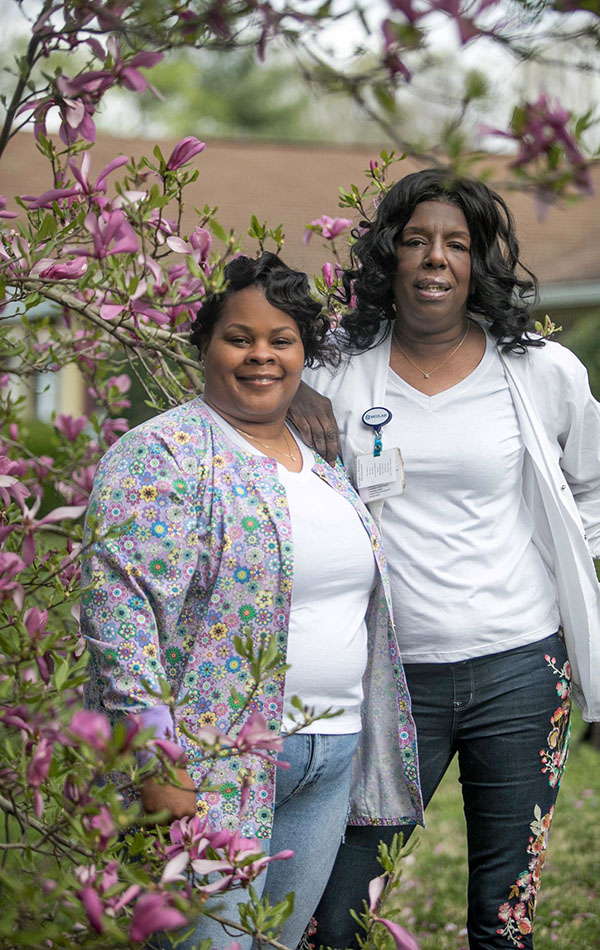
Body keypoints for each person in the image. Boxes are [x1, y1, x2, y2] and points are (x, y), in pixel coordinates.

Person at [289, 169, 600, 950]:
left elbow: (593, 484)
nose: (436, 258)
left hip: (522, 669)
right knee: (341, 908)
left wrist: (577, 571)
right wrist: (290, 390)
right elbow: (249, 398)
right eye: (418, 240)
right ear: (390, 256)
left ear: (479, 262)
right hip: (390, 676)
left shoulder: (539, 371)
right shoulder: (335, 368)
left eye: (456, 244)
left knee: (506, 912)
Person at [80, 252, 423, 950]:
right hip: (210, 768)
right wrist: (158, 764)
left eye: (281, 340)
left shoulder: (322, 468)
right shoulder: (163, 454)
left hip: (329, 760)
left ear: (304, 354)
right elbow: (121, 619)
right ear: (205, 345)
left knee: (275, 942)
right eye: (240, 338)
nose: (261, 355)